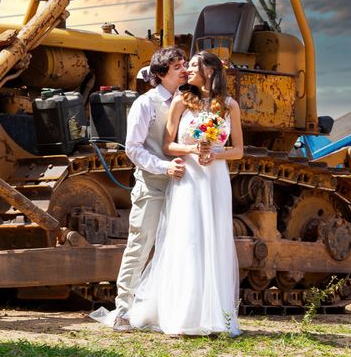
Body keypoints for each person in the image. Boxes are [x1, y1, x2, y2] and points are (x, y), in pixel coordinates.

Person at [128, 50, 244, 336]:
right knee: (188, 239)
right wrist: (194, 149)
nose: (187, 69)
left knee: (214, 239)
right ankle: (182, 315)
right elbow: (168, 145)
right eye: (184, 65)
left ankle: (216, 316)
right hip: (190, 177)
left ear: (211, 71)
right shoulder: (182, 100)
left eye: (193, 65)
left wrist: (214, 154)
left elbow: (239, 151)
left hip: (215, 178)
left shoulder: (230, 106)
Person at [91, 46, 188, 332]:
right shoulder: (145, 104)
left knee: (177, 249)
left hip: (184, 188)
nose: (184, 70)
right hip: (153, 185)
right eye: (177, 66)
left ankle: (169, 309)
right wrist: (163, 167)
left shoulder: (188, 101)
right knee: (140, 244)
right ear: (160, 73)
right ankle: (123, 310)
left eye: (184, 64)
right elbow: (133, 149)